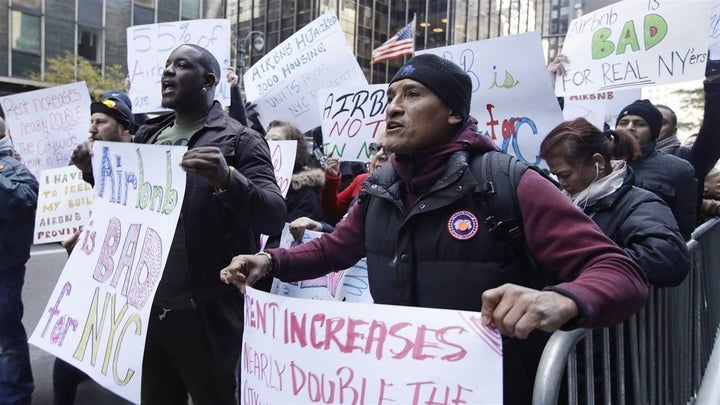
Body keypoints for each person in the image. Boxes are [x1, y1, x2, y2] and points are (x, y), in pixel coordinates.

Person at [219, 54, 648, 404]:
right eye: (390, 96)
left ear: (453, 113)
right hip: (399, 384)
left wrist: (560, 299)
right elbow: (334, 250)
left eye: (413, 94)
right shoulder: (380, 187)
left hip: (494, 388)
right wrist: (269, 261)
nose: (392, 106)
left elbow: (619, 271)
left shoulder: (509, 181)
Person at [134, 43, 285, 404]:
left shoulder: (240, 139)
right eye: (166, 65)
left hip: (206, 313)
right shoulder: (147, 137)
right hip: (147, 308)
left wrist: (228, 179)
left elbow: (273, 213)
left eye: (181, 65)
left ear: (209, 80)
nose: (168, 71)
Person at [54, 93, 138, 405]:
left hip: (130, 282)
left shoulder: (146, 167)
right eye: (90, 121)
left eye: (101, 121)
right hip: (93, 278)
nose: (92, 128)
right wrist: (73, 246)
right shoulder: (81, 167)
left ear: (126, 130)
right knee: (67, 350)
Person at [539, 117, 689, 287]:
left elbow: (667, 258)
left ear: (599, 163)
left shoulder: (640, 204)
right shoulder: (559, 203)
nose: (562, 183)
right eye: (556, 175)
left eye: (565, 175)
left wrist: (592, 264)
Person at [614, 100, 697, 240]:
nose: (629, 127)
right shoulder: (600, 164)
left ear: (654, 131)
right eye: (623, 122)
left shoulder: (678, 169)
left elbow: (684, 227)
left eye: (640, 124)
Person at [0, 115, 38, 405]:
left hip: (5, 269)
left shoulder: (12, 167)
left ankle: (15, 396)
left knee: (6, 338)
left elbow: (25, 200)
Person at [320, 129, 389, 222]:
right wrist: (332, 177)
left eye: (389, 150)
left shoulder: (404, 191)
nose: (379, 155)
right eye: (375, 148)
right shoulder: (362, 179)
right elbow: (332, 211)